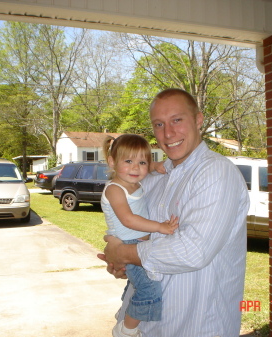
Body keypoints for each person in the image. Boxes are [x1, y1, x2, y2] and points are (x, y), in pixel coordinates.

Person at [99, 88, 250, 337]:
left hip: (195, 325)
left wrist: (124, 252)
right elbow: (133, 231)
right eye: (159, 124)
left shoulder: (215, 173)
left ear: (198, 120)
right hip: (148, 325)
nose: (168, 133)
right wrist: (120, 260)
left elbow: (192, 251)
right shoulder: (152, 178)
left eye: (177, 120)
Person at [101, 134, 179, 337]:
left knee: (137, 285)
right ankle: (126, 330)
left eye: (142, 162)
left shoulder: (133, 183)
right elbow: (128, 219)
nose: (136, 168)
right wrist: (160, 227)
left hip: (135, 244)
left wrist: (154, 166)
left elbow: (146, 167)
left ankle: (125, 316)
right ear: (112, 162)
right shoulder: (115, 189)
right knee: (148, 290)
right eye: (128, 161)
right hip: (128, 243)